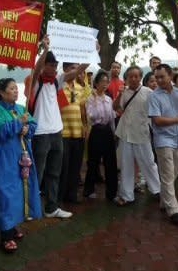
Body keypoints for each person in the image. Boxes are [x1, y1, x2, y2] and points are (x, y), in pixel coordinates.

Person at [0, 78, 41, 252]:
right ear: (1, 92)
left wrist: (26, 129)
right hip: (2, 161)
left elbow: (32, 125)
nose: (16, 91)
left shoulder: (20, 109)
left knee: (19, 193)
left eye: (16, 88)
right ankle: (5, 236)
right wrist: (18, 124)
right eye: (12, 88)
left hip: (20, 159)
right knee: (4, 195)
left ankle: (12, 226)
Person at [30, 35, 88, 219]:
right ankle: (30, 208)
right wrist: (45, 49)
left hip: (57, 132)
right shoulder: (35, 81)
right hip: (40, 133)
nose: (53, 68)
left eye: (55, 65)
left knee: (54, 172)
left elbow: (79, 70)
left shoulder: (57, 80)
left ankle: (51, 207)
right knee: (37, 173)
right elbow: (37, 67)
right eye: (50, 65)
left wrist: (92, 52)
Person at [148, 64, 178, 225]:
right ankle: (173, 210)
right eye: (157, 77)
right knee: (168, 176)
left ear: (170, 76)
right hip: (163, 140)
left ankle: (164, 201)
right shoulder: (154, 96)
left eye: (162, 76)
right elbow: (157, 120)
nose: (159, 80)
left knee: (172, 175)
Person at [113, 66, 160, 206]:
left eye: (136, 76)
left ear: (140, 78)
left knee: (149, 162)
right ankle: (127, 195)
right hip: (126, 133)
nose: (133, 79)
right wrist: (120, 94)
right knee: (126, 165)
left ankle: (157, 190)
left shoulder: (148, 92)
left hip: (142, 133)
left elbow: (156, 109)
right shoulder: (124, 92)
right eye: (130, 76)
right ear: (126, 78)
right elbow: (115, 108)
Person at [83, 70, 118, 201]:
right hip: (96, 131)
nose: (104, 84)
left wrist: (114, 132)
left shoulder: (109, 99)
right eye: (102, 81)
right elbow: (92, 116)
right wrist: (97, 102)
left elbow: (111, 118)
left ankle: (112, 193)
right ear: (96, 83)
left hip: (107, 131)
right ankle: (89, 190)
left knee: (110, 163)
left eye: (106, 82)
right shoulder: (91, 99)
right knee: (93, 162)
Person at [58, 62, 88, 204]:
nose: (75, 71)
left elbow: (82, 109)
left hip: (78, 132)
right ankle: (60, 196)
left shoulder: (80, 88)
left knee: (76, 166)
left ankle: (72, 195)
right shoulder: (58, 86)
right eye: (72, 68)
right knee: (63, 167)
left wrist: (85, 125)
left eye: (77, 68)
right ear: (64, 70)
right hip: (62, 132)